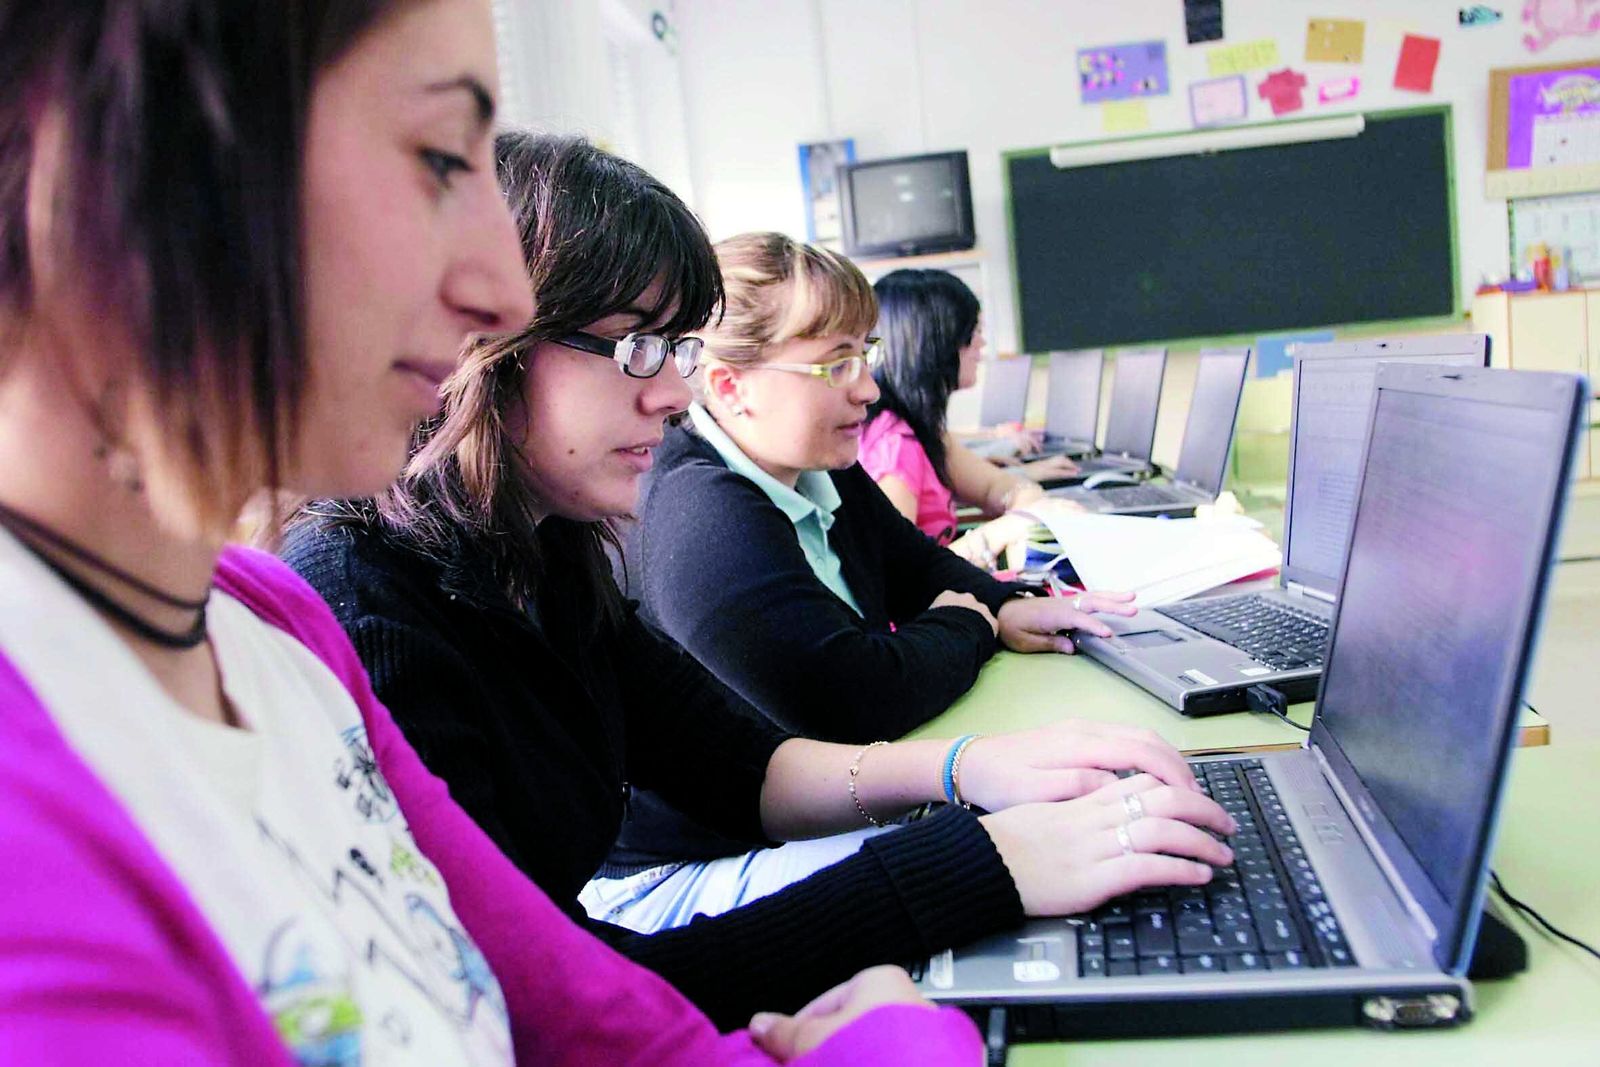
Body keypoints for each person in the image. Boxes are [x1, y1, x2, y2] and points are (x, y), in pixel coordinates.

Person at [0, 4, 983, 1063]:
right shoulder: (329, 603)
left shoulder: (275, 622)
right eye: (432, 157)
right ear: (125, 171)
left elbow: (573, 1011)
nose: (498, 294)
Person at [282, 133, 1236, 1030]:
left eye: (680, 351)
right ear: (478, 343)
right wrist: (983, 863)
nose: (675, 392)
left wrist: (968, 768)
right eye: (637, 350)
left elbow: (751, 768)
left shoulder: (547, 554)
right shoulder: (366, 614)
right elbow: (563, 1008)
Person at [630, 233, 1141, 741]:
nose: (869, 390)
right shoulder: (696, 513)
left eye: (865, 355)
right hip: (765, 821)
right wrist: (970, 623)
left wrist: (1005, 606)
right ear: (730, 386)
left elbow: (912, 563)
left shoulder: (817, 463)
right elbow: (857, 699)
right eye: (837, 365)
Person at [861, 268, 1078, 566]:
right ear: (938, 343)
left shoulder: (920, 428)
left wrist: (1028, 504)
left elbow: (994, 487)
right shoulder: (897, 445)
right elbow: (896, 579)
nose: (981, 344)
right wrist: (998, 534)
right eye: (973, 331)